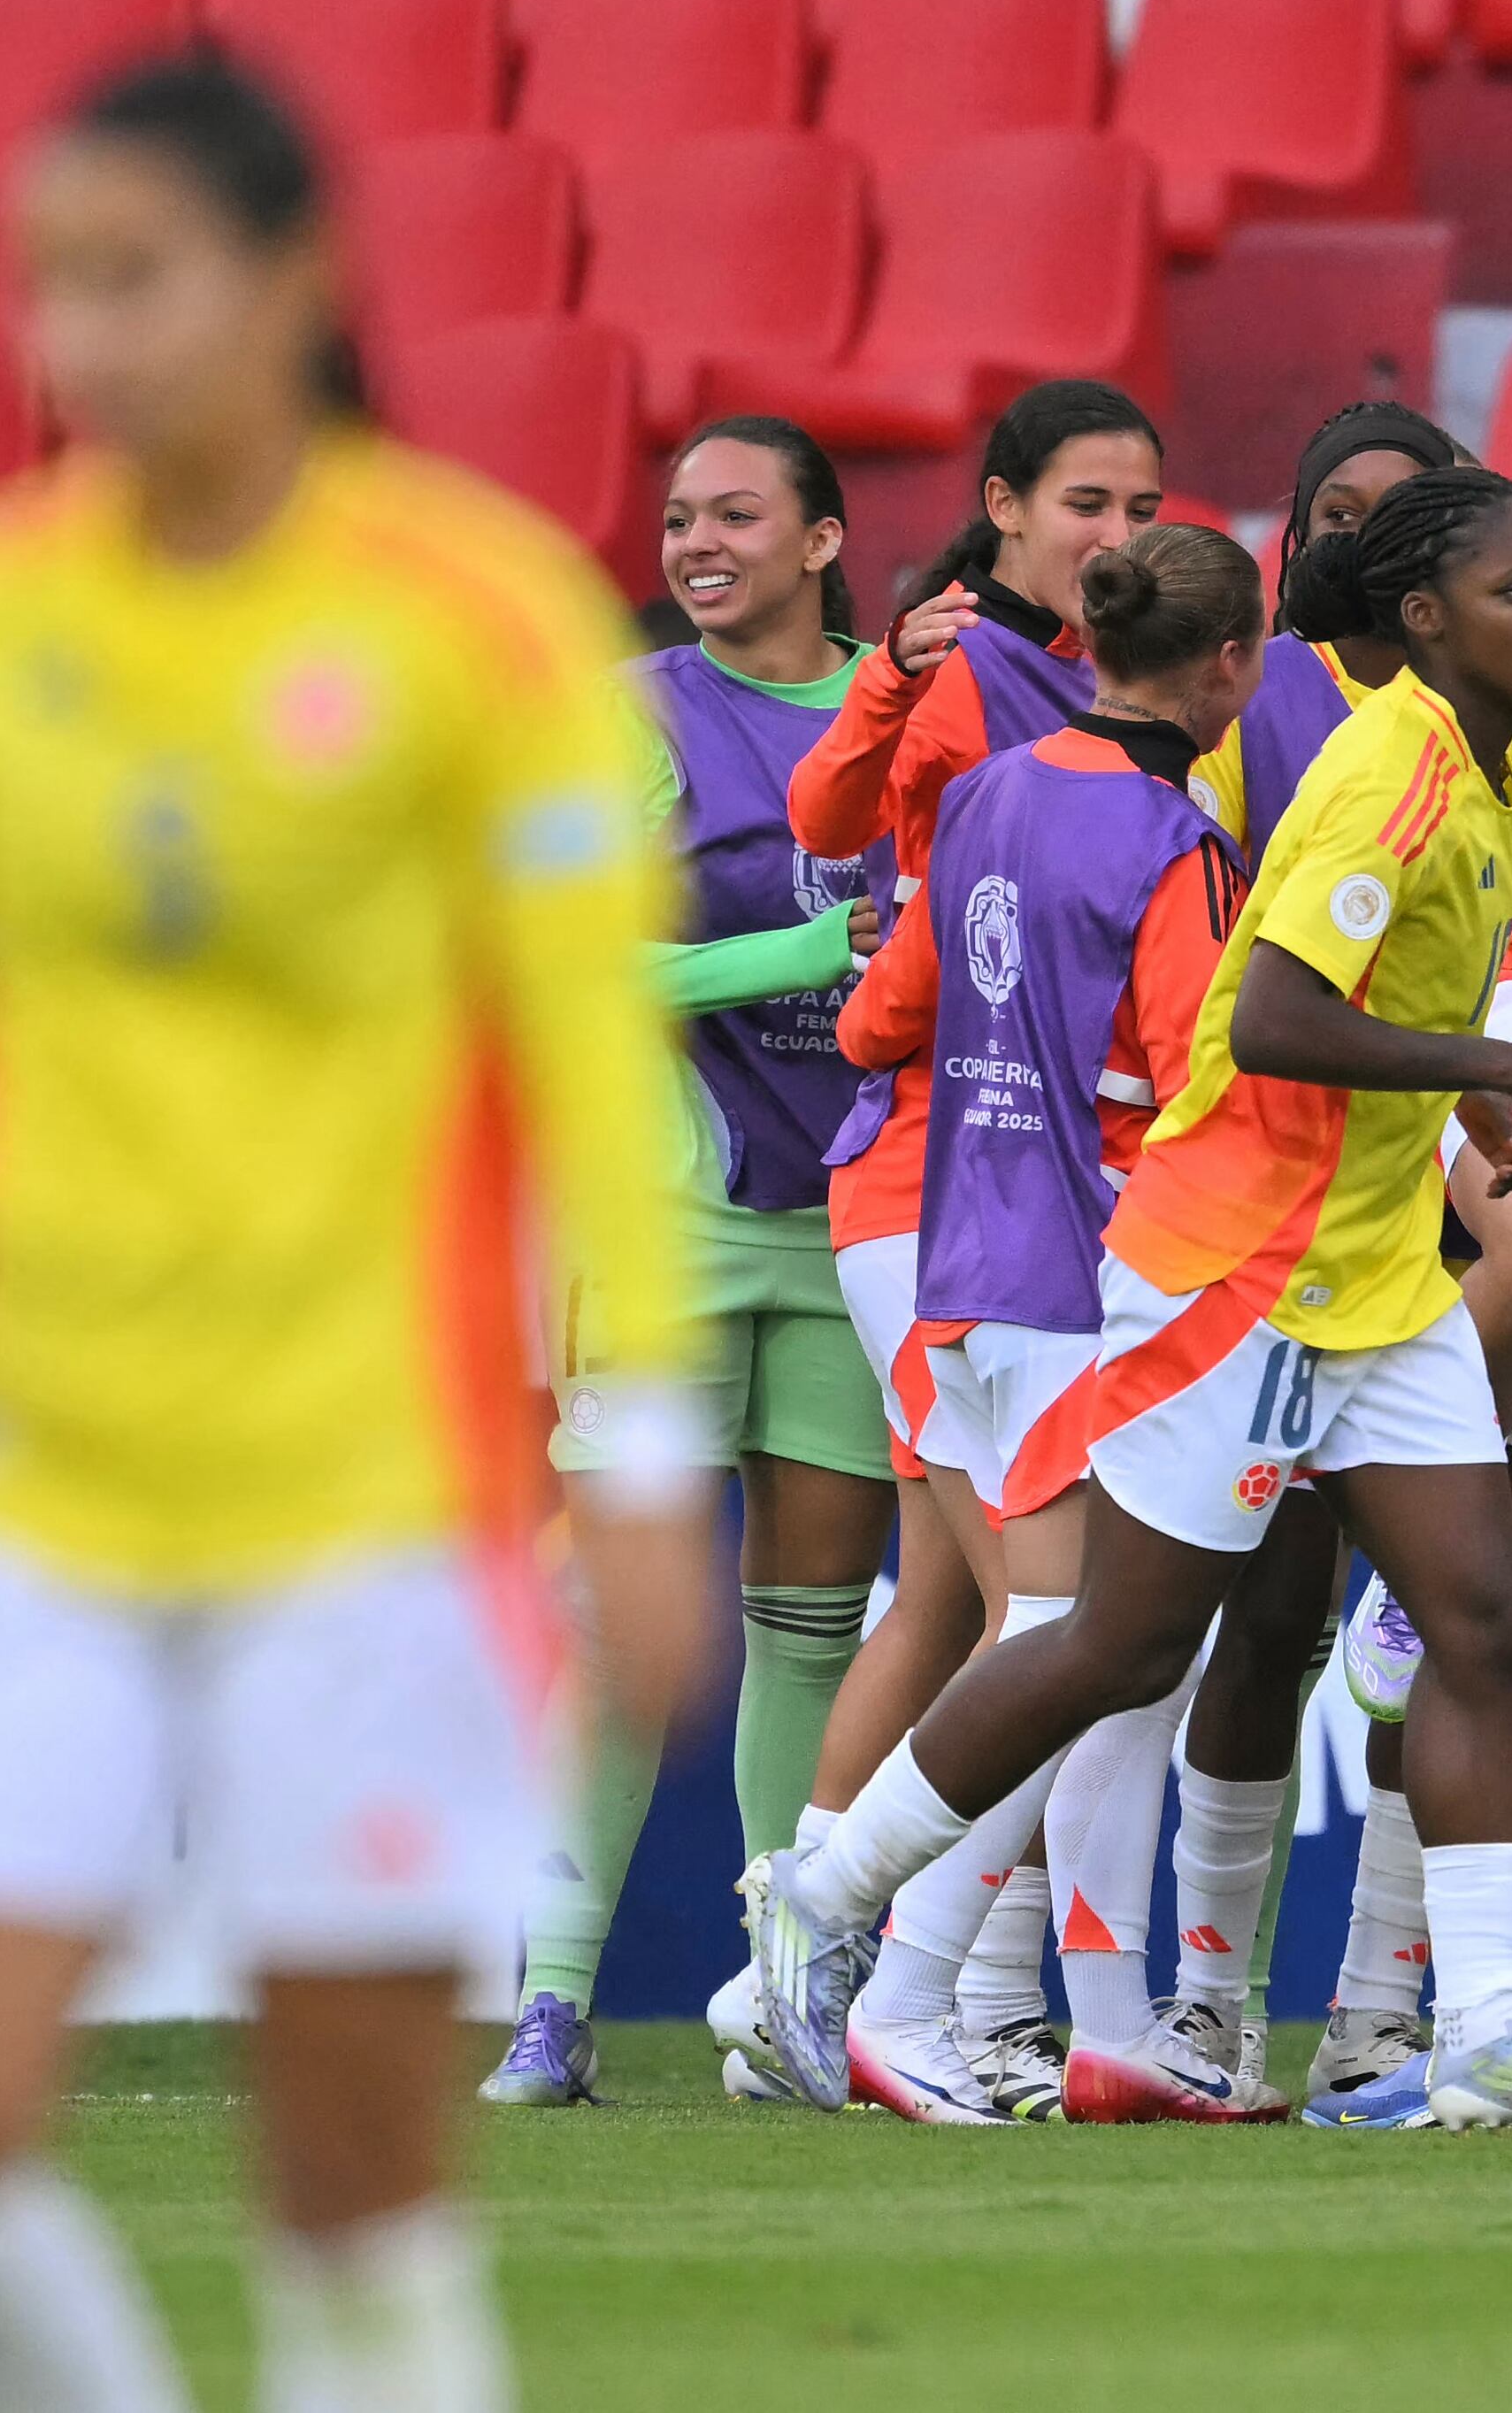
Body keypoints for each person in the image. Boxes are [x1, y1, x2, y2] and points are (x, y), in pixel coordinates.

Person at [0, 52, 706, 2413]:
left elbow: (584, 1071)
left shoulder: (482, 616)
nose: (87, 339)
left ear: (292, 281)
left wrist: (633, 1455)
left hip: (373, 1495)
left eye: (137, 277)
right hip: (32, 1480)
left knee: (352, 2203)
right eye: (50, 286)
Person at [749, 467, 1512, 2133]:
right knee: (1118, 1639)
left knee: (1477, 1623)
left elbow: (1368, 989)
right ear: (1425, 622)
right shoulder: (1393, 778)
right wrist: (1504, 1066)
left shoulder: (1482, 771)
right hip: (1243, 1268)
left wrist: (1459, 1101)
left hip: (1374, 1269)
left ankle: (1474, 2021)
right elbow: (1267, 1018)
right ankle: (815, 1915)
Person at [802, 519, 1292, 2123]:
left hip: (964, 1264)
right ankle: (899, 1991)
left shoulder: (991, 792)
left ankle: (1101, 2028)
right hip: (1107, 1282)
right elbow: (1200, 1071)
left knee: (1107, 1664)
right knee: (1077, 1652)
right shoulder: (1175, 841)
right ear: (1226, 666)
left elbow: (882, 1018)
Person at [481, 416, 894, 2110]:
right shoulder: (628, 714)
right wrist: (812, 949)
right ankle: (549, 2002)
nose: (696, 541)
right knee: (603, 1610)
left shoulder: (910, 703)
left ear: (821, 539)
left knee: (807, 1621)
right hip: (667, 1231)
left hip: (856, 1228)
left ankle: (774, 1987)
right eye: (676, 518)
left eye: (736, 514)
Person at [770, 377, 1167, 2120]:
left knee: (949, 1599)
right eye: (1088, 500)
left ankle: (809, 1967)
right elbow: (840, 833)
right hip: (955, 1187)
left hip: (963, 1183)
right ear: (1004, 507)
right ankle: (897, 1974)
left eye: (1144, 503)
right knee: (1054, 1612)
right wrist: (883, 676)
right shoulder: (985, 674)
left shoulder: (1080, 676)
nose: (1120, 533)